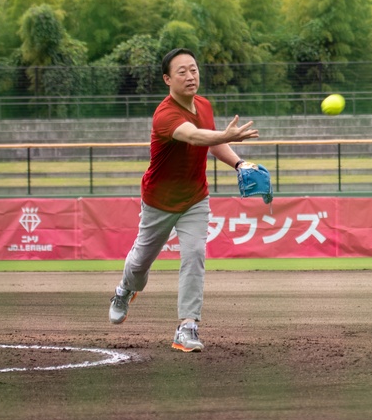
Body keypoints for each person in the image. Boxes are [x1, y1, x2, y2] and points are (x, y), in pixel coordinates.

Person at [108, 47, 261, 353]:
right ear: (167, 79)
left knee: (194, 256)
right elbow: (195, 137)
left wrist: (239, 163)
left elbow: (212, 144)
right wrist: (224, 135)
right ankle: (124, 289)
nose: (191, 76)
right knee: (140, 263)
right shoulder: (165, 114)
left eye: (194, 69)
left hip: (195, 198)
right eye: (182, 72)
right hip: (159, 202)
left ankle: (187, 327)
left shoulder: (203, 104)